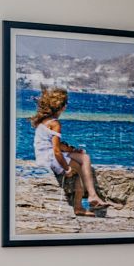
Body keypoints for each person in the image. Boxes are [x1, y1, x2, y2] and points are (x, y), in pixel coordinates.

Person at [30, 87, 109, 215]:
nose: (66, 106)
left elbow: (55, 145)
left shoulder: (43, 121)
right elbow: (56, 151)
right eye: (65, 103)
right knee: (81, 165)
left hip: (43, 156)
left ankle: (83, 204)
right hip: (50, 158)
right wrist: (66, 169)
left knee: (84, 158)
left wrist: (72, 150)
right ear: (61, 106)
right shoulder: (55, 123)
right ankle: (89, 198)